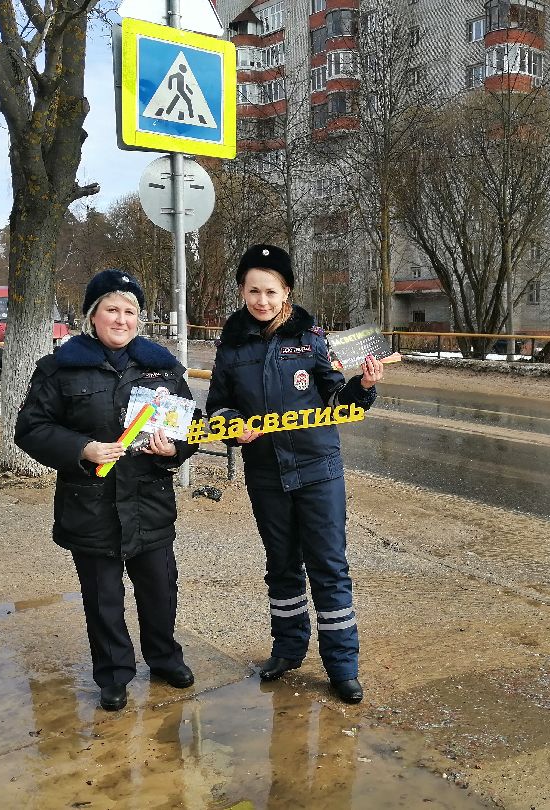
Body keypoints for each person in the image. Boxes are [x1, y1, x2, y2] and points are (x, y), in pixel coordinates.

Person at [205, 244, 384, 704]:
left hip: (318, 470)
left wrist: (363, 386)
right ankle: (287, 649)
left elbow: (337, 401)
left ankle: (342, 665)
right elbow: (219, 406)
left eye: (270, 291)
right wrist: (231, 428)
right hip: (265, 474)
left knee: (328, 566)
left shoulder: (313, 338)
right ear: (242, 291)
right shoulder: (232, 345)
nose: (261, 301)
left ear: (287, 291)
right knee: (281, 566)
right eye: (252, 291)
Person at [15, 269, 198, 711]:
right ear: (92, 317)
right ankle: (114, 675)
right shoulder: (60, 368)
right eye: (111, 310)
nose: (121, 319)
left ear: (140, 318)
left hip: (149, 501)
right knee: (103, 599)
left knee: (159, 590)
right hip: (89, 504)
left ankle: (164, 658)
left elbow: (189, 428)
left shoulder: (163, 367)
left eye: (129, 311)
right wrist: (83, 448)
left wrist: (171, 450)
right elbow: (31, 428)